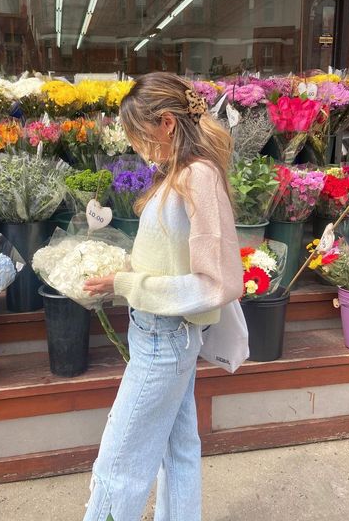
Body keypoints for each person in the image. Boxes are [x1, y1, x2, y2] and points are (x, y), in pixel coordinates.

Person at [82, 72, 243, 521]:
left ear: (167, 123)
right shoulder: (182, 174)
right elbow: (172, 256)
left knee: (120, 461)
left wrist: (127, 284)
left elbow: (218, 283)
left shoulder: (196, 177)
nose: (135, 145)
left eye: (138, 133)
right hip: (162, 334)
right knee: (179, 449)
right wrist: (123, 274)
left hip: (164, 338)